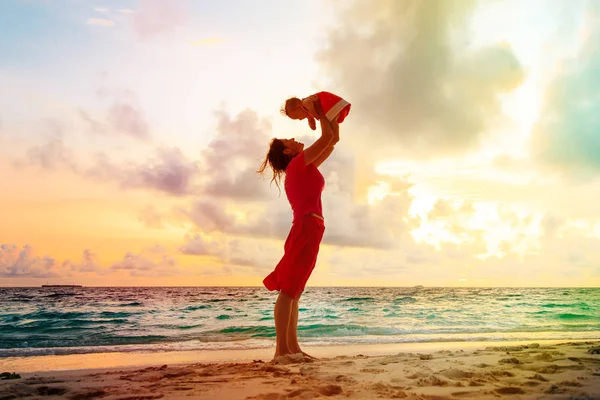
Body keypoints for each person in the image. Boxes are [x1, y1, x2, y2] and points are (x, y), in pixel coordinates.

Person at [258, 99, 339, 364]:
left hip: (314, 227)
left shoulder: (307, 165)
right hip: (305, 226)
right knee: (289, 291)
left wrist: (332, 112)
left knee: (296, 290)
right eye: (288, 141)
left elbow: (333, 138)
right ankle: (281, 350)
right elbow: (326, 135)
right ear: (288, 153)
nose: (294, 138)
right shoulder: (298, 164)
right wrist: (313, 112)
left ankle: (293, 349)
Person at [281, 91, 351, 131]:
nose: (299, 119)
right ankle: (334, 136)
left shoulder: (304, 102)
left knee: (331, 123)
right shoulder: (307, 113)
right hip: (335, 108)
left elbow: (309, 103)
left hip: (330, 104)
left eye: (297, 116)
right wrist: (312, 125)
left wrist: (314, 114)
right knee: (332, 123)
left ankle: (334, 137)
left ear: (297, 105)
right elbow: (311, 121)